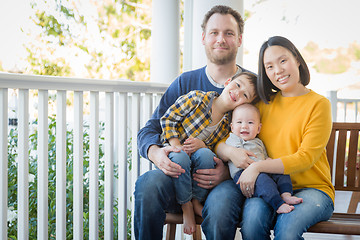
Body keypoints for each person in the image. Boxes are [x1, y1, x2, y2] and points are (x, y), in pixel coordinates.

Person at [135, 5, 255, 240]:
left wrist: (227, 174)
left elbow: (262, 143)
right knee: (147, 186)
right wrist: (157, 154)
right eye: (214, 32)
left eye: (229, 33)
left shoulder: (251, 88)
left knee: (221, 208)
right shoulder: (185, 83)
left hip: (224, 182)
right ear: (203, 37)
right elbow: (150, 129)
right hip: (178, 173)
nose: (221, 39)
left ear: (239, 39)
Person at [216, 36, 335, 239]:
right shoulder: (262, 105)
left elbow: (306, 158)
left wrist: (257, 167)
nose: (277, 71)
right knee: (252, 223)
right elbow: (225, 139)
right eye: (269, 66)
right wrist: (229, 151)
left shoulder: (318, 104)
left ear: (296, 59)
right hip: (269, 185)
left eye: (282, 61)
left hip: (312, 189)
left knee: (287, 231)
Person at [160, 72, 257, 234]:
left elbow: (215, 151)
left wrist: (203, 145)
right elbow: (168, 119)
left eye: (245, 95)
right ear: (228, 81)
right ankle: (187, 206)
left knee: (206, 155)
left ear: (244, 104)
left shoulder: (229, 125)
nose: (238, 92)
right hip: (175, 152)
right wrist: (177, 146)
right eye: (238, 85)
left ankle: (196, 200)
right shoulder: (197, 99)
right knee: (180, 157)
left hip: (196, 162)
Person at [227, 103, 303, 214]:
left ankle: (286, 194)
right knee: (263, 181)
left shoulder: (258, 141)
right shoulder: (233, 139)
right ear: (232, 127)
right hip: (243, 174)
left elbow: (263, 155)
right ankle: (278, 204)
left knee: (281, 170)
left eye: (250, 123)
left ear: (258, 128)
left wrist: (268, 161)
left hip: (261, 168)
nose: (244, 126)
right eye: (239, 122)